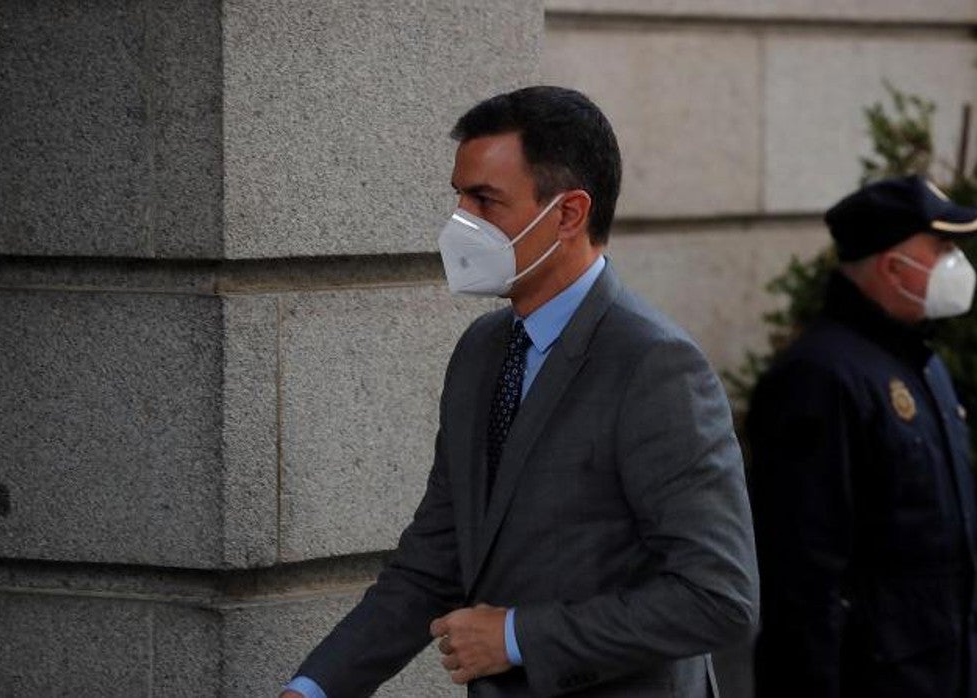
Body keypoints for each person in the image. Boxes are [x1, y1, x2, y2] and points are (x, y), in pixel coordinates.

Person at [281, 86, 758, 698]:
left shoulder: (655, 367)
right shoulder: (483, 351)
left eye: (485, 200)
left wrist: (516, 637)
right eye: (458, 197)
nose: (461, 223)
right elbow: (434, 560)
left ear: (568, 214)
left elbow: (718, 597)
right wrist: (315, 687)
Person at [746, 175, 977, 697]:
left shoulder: (922, 363)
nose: (956, 263)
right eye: (942, 247)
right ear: (892, 266)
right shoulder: (819, 378)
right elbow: (804, 578)